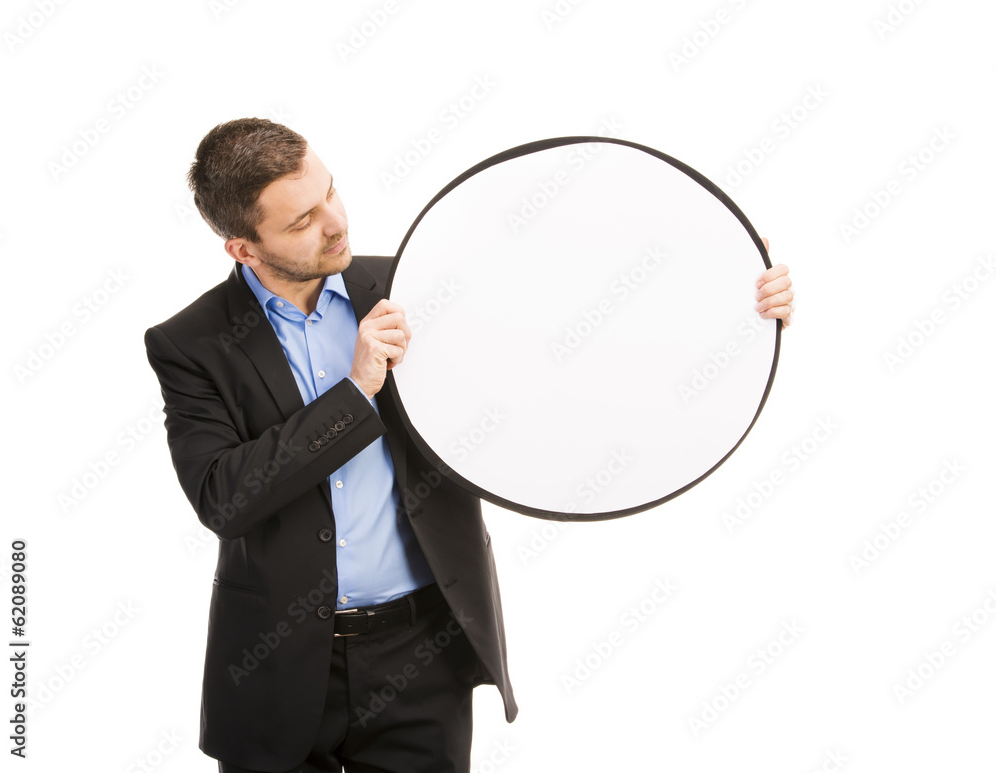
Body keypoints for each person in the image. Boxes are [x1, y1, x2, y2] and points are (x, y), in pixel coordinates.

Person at [144, 118, 794, 773]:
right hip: (274, 665)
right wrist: (356, 389)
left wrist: (720, 277)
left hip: (422, 652)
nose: (336, 223)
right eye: (302, 220)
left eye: (331, 191)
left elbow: (572, 312)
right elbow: (224, 498)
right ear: (243, 249)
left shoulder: (416, 284)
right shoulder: (189, 343)